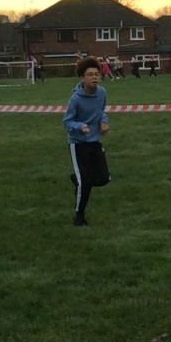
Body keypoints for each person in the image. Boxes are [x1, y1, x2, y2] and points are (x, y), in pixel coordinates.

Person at [63, 57, 110, 227]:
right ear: (82, 78)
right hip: (78, 143)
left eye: (97, 74)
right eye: (90, 74)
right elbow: (67, 122)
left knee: (103, 178)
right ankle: (79, 217)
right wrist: (80, 126)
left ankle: (78, 179)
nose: (94, 77)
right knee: (86, 183)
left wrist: (104, 121)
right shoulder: (75, 99)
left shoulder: (102, 93)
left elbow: (102, 110)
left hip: (94, 141)